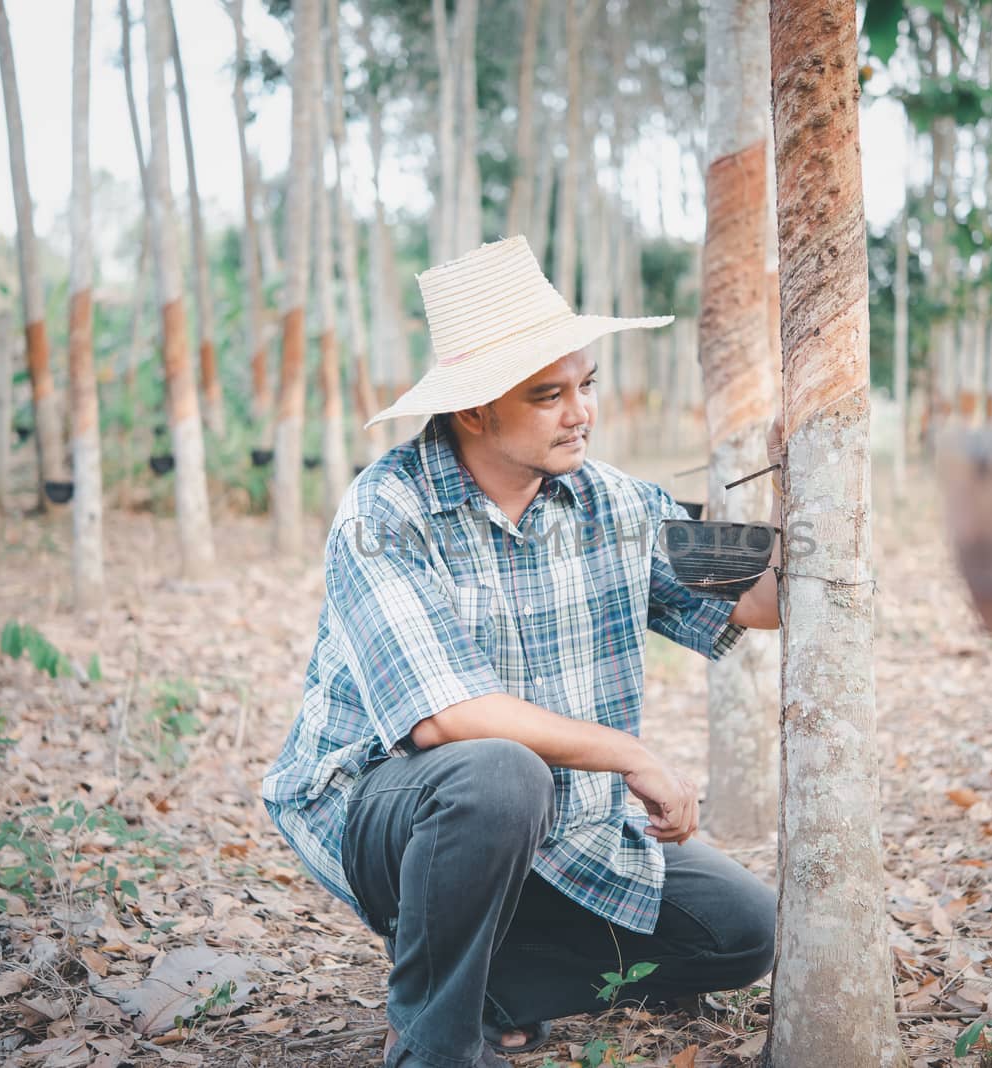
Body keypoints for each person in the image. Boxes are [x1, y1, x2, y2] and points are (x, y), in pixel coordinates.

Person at [262, 236, 783, 1068]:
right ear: (473, 410)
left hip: (567, 828)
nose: (581, 412)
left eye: (586, 384)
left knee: (743, 932)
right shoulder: (386, 511)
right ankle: (435, 1043)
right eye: (549, 395)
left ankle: (482, 987)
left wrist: (796, 476)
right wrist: (629, 754)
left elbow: (758, 598)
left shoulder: (616, 503)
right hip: (394, 816)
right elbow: (443, 719)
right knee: (497, 771)